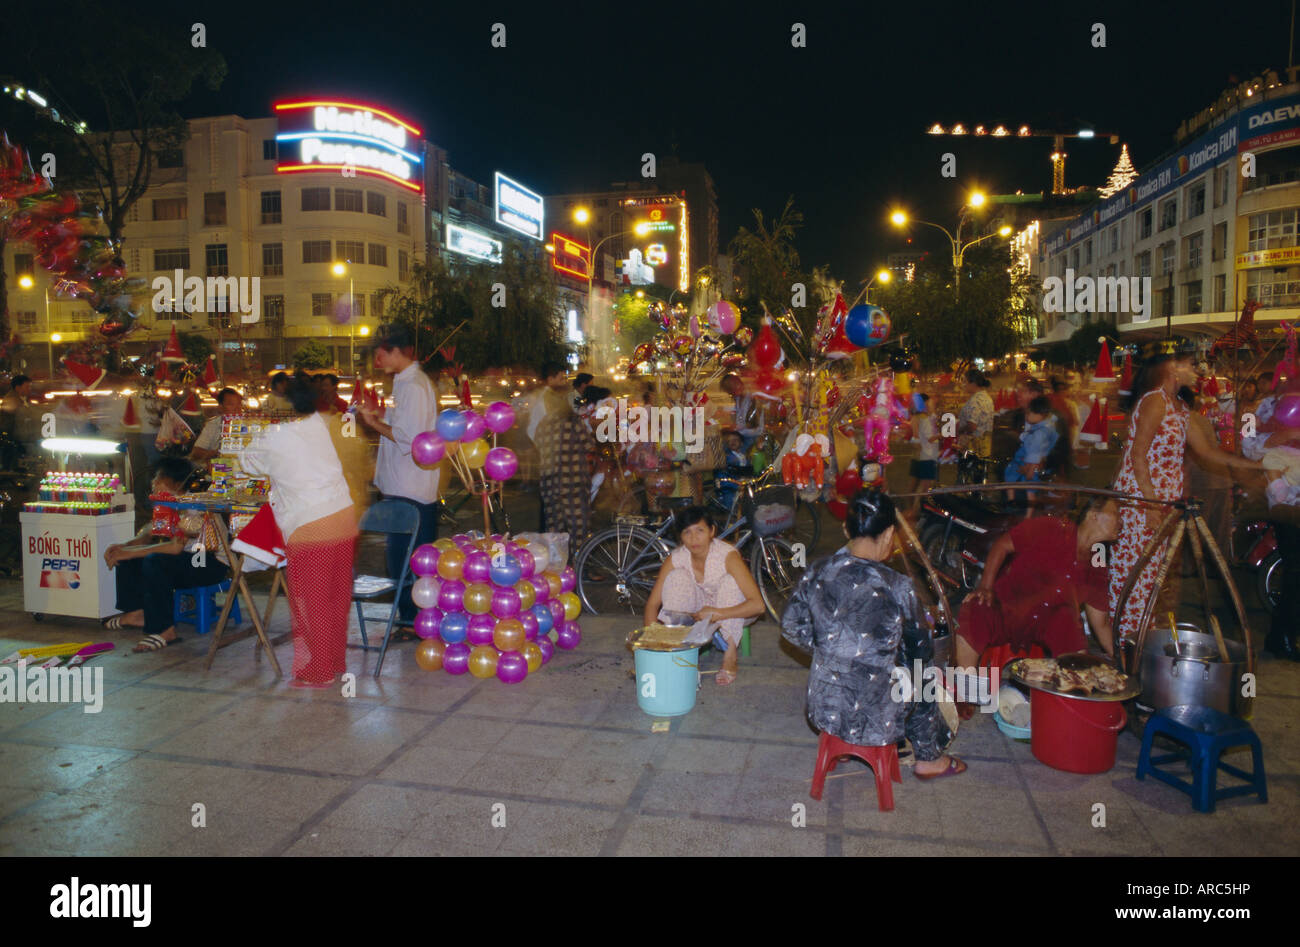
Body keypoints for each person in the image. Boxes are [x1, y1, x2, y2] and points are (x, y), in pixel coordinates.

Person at [782, 489, 965, 779]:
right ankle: (928, 758)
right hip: (876, 715)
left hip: (823, 708)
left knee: (861, 659)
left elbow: (791, 627)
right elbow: (921, 653)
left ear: (845, 528)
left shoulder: (817, 571)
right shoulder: (898, 586)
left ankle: (840, 742)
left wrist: (831, 648)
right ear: (890, 532)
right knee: (922, 672)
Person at [1110, 345, 1263, 642]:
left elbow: (1207, 452)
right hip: (1142, 501)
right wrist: (1151, 506)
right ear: (1172, 369)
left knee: (1154, 576)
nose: (1197, 372)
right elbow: (1138, 455)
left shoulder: (1179, 407)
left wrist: (1251, 465)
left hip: (1163, 502)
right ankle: (1125, 643)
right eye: (1191, 365)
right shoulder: (1155, 401)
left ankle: (1142, 642)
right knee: (1135, 574)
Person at [242, 374, 358, 687]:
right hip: (343, 517)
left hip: (311, 525)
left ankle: (319, 671)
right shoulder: (318, 424)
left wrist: (258, 432)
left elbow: (248, 463)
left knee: (312, 601)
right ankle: (334, 661)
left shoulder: (273, 436)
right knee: (335, 597)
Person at [957, 497, 1117, 672]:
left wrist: (1119, 659)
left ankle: (1071, 690)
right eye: (1116, 513)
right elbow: (1003, 545)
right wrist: (985, 586)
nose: (1122, 521)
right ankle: (966, 691)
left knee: (1071, 629)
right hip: (1009, 604)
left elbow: (1099, 621)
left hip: (1048, 621)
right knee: (975, 611)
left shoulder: (1098, 556)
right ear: (1093, 515)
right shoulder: (1052, 527)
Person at [356, 326, 439, 622]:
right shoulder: (406, 383)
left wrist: (372, 422)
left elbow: (409, 439)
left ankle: (411, 620)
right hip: (407, 486)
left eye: (380, 353)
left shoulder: (413, 385)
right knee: (405, 560)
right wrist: (378, 416)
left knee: (404, 562)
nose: (377, 360)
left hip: (410, 490)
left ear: (396, 351)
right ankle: (413, 619)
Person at [103, 458, 230, 652]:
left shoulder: (193, 507)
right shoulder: (167, 504)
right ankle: (137, 613)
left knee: (156, 562)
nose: (154, 482)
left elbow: (175, 549)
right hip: (189, 559)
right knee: (131, 558)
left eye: (159, 478)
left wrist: (129, 553)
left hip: (207, 562)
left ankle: (165, 630)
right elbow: (150, 532)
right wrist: (125, 547)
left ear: (177, 484)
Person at [643, 506, 766, 686]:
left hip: (735, 610)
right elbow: (653, 604)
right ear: (681, 537)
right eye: (687, 532)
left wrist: (718, 613)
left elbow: (758, 606)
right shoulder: (676, 558)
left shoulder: (727, 556)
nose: (694, 538)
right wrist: (651, 642)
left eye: (700, 530)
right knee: (676, 577)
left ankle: (730, 653)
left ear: (712, 531)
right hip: (697, 612)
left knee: (730, 583)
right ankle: (678, 647)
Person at [536, 387, 596, 546]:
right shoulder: (573, 421)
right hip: (573, 485)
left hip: (549, 484)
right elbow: (589, 445)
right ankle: (578, 565)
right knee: (578, 528)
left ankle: (558, 566)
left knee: (555, 529)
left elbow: (538, 445)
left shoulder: (543, 423)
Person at [1004, 395, 1058, 483]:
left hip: (1035, 469)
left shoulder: (1040, 432)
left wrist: (1030, 470)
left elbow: (1037, 453)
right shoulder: (1045, 425)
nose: (1026, 416)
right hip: (1028, 466)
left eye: (1028, 413)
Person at [190, 387, 243, 464]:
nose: (237, 408)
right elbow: (196, 452)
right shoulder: (213, 425)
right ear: (220, 407)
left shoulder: (248, 424)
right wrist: (218, 453)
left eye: (239, 404)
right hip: (221, 469)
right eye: (231, 404)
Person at [907, 393, 940, 513]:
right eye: (930, 402)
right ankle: (921, 512)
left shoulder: (915, 417)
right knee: (926, 488)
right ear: (925, 403)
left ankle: (911, 509)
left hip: (917, 456)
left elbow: (916, 436)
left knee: (913, 486)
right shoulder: (924, 419)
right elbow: (930, 438)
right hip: (927, 456)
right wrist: (943, 435)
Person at [956, 369, 994, 457]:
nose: (963, 385)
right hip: (984, 447)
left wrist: (959, 429)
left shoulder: (975, 401)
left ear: (973, 383)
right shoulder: (987, 397)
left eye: (965, 381)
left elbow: (972, 426)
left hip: (972, 448)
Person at [721, 373, 764, 450]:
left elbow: (753, 423)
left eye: (736, 383)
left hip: (752, 437)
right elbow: (738, 418)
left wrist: (735, 428)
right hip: (742, 435)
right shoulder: (738, 399)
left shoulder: (752, 397)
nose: (736, 386)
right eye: (729, 389)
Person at [0, 374, 32, 470]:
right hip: (12, 437)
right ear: (18, 387)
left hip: (20, 436)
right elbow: (21, 414)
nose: (29, 389)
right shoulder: (11, 399)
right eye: (27, 386)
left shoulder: (23, 399)